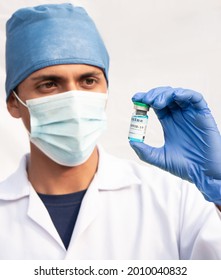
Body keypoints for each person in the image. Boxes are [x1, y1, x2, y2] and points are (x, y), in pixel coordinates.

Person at [0, 3, 221, 260]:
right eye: (49, 84)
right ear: (14, 103)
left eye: (88, 81)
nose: (74, 98)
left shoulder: (178, 201)